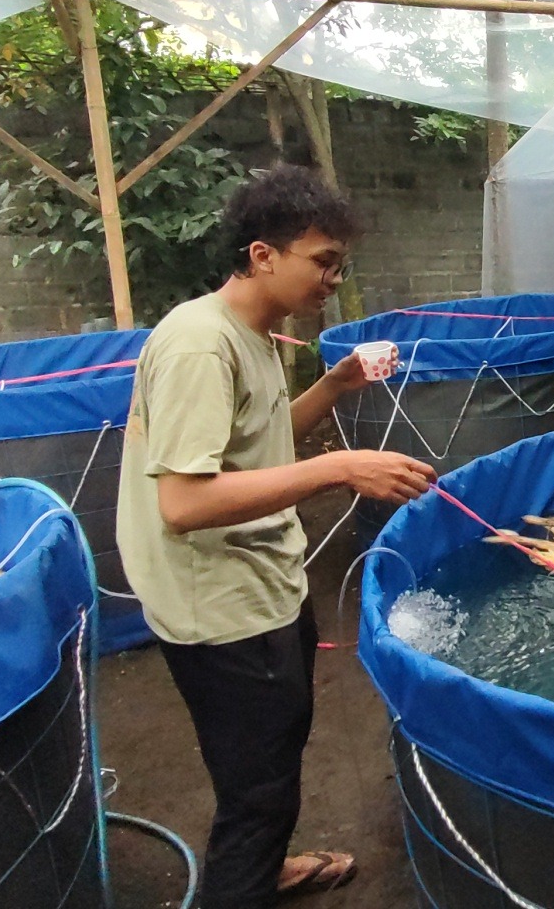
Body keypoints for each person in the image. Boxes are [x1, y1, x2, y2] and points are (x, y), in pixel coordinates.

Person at [117, 165, 437, 908]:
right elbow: (185, 503)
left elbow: (255, 446)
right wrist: (342, 467)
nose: (332, 279)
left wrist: (334, 388)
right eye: (322, 262)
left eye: (339, 265)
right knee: (258, 784)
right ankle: (244, 882)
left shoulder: (252, 334)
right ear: (264, 255)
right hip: (218, 606)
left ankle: (265, 864)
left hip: (259, 584)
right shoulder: (201, 345)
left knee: (268, 754)